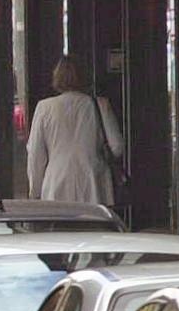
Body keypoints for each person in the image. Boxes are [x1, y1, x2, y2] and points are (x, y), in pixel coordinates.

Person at [27, 53, 125, 207]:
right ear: (85, 76)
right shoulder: (100, 105)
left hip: (56, 182)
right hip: (93, 183)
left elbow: (35, 153)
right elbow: (117, 146)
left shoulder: (44, 108)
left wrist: (35, 191)